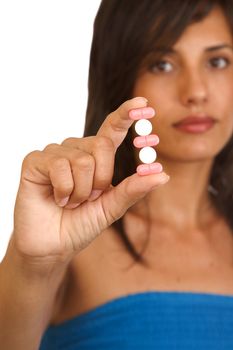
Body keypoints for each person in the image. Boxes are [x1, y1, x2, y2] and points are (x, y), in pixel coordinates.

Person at [1, 0, 233, 349]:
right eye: (162, 64)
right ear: (120, 78)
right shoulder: (69, 246)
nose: (196, 91)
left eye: (217, 61)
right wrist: (32, 261)